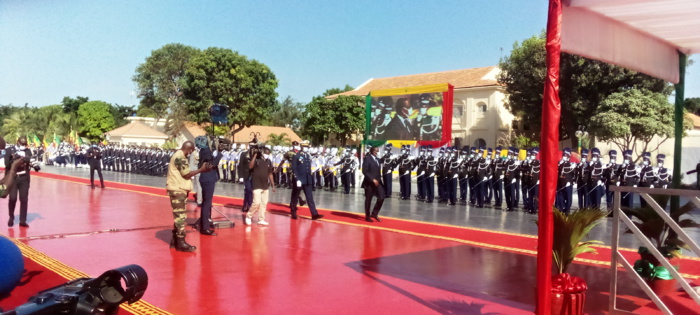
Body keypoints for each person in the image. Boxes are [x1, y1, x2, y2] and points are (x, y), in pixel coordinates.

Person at [166, 141, 211, 252]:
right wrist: (201, 170)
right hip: (178, 190)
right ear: (190, 150)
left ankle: (175, 240)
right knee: (180, 217)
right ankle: (181, 241)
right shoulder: (180, 157)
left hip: (178, 188)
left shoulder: (179, 155)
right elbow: (186, 174)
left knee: (179, 216)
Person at [5, 136, 36, 228]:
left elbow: (31, 161)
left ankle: (23, 220)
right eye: (22, 144)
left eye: (24, 144)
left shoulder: (27, 151)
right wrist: (14, 159)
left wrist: (28, 160)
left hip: (24, 178)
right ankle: (11, 216)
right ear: (17, 142)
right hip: (13, 178)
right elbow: (6, 164)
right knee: (13, 198)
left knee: (24, 199)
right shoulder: (9, 150)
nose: (23, 146)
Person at [291, 140, 324, 220]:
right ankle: (293, 212)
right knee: (295, 196)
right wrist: (297, 179)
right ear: (302, 147)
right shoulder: (296, 156)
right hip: (299, 179)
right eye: (305, 147)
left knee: (310, 197)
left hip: (307, 179)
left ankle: (314, 214)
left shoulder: (308, 156)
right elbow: (294, 168)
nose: (306, 148)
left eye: (307, 147)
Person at [197, 136, 222, 236]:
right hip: (208, 179)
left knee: (206, 203)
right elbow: (212, 164)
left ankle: (205, 222)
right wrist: (219, 154)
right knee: (207, 203)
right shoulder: (206, 151)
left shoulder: (204, 151)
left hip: (207, 178)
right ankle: (205, 227)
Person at [245, 146, 276, 226]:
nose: (267, 155)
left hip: (265, 185)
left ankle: (261, 219)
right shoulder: (257, 160)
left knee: (264, 203)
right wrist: (255, 155)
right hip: (257, 184)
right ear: (262, 153)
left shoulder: (269, 161)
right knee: (256, 203)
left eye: (268, 154)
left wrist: (273, 185)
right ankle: (249, 216)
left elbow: (270, 173)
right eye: (266, 153)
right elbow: (250, 166)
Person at [362, 145, 385, 222]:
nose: (376, 152)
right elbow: (365, 171)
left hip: (378, 182)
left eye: (377, 151)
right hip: (369, 183)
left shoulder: (378, 160)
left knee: (381, 197)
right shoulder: (367, 159)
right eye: (375, 151)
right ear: (372, 151)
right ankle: (367, 216)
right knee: (368, 200)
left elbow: (383, 161)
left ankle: (374, 213)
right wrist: (372, 179)